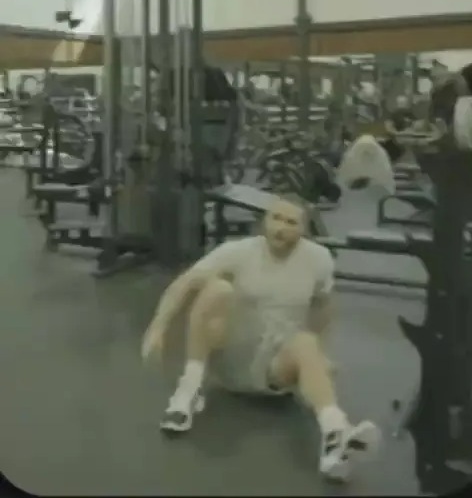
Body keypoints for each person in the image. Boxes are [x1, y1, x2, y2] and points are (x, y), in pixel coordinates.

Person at [142, 195, 381, 483]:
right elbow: (185, 283)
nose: (280, 227)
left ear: (304, 229)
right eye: (275, 218)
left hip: (273, 367)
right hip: (231, 357)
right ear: (264, 221)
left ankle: (335, 436)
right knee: (217, 290)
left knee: (306, 343)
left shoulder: (319, 259)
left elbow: (324, 306)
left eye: (290, 222)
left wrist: (322, 354)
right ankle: (187, 392)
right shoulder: (238, 251)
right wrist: (157, 327)